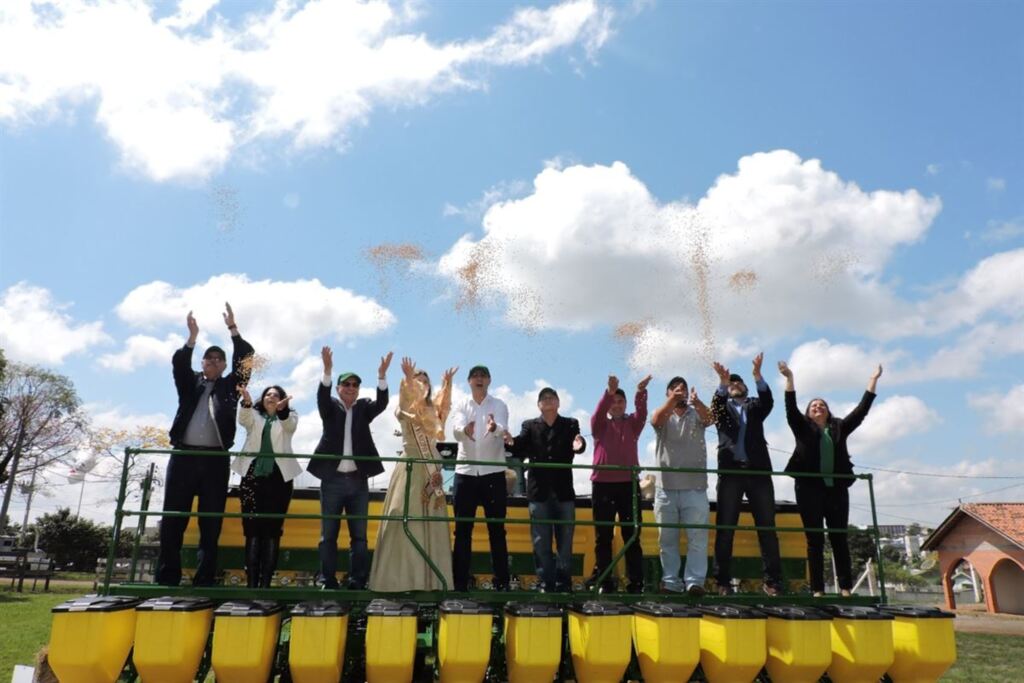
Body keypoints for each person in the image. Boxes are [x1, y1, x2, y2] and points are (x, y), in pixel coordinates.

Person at [157, 303, 254, 587]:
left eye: (218, 359)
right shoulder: (190, 383)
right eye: (208, 358)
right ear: (202, 363)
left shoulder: (230, 387)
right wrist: (192, 338)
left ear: (224, 365)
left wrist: (233, 329)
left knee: (210, 522)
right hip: (183, 457)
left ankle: (205, 578)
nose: (213, 362)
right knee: (173, 518)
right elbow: (179, 364)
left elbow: (246, 359)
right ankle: (168, 577)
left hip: (215, 460)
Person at [779, 361, 882, 597]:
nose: (818, 407)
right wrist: (790, 378)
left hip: (836, 489)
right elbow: (790, 407)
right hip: (808, 489)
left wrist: (873, 380)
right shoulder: (801, 426)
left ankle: (845, 587)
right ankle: (817, 589)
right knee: (814, 540)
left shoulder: (839, 427)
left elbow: (861, 411)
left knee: (839, 537)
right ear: (808, 412)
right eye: (814, 405)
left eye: (822, 405)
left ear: (828, 410)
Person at [307, 346, 392, 590]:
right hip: (332, 480)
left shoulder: (364, 408)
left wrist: (382, 376)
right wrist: (327, 370)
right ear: (338, 388)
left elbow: (382, 403)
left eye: (355, 385)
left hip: (358, 481)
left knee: (360, 538)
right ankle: (327, 580)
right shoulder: (329, 407)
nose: (351, 388)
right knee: (328, 536)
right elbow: (322, 397)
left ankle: (357, 581)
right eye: (346, 384)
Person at [369, 358, 457, 591]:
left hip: (431, 471)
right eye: (418, 382)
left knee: (432, 522)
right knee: (401, 515)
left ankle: (431, 581)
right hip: (410, 468)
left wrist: (447, 384)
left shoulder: (434, 412)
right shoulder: (405, 408)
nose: (422, 385)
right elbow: (405, 407)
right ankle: (398, 581)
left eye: (425, 382)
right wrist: (408, 379)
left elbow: (444, 409)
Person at [710, 353, 784, 596]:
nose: (734, 384)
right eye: (730, 383)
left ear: (745, 387)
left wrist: (757, 376)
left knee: (767, 528)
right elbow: (715, 405)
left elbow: (768, 401)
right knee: (725, 528)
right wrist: (722, 383)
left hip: (758, 472)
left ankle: (772, 582)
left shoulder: (755, 406)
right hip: (730, 472)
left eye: (737, 382)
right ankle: (722, 582)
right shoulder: (722, 410)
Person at [505, 388, 587, 593]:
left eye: (552, 397)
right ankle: (545, 582)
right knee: (541, 542)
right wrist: (509, 440)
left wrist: (580, 444)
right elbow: (518, 445)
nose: (548, 400)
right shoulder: (529, 425)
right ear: (538, 405)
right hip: (538, 493)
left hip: (563, 492)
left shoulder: (570, 424)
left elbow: (578, 442)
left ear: (559, 403)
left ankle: (564, 583)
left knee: (565, 542)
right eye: (543, 398)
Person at [587, 373, 651, 594]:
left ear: (626, 404)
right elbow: (597, 414)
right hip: (602, 484)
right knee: (603, 536)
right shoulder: (600, 425)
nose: (616, 405)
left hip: (628, 485)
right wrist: (609, 392)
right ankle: (604, 581)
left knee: (632, 535)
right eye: (613, 401)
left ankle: (636, 583)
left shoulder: (633, 424)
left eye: (620, 401)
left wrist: (640, 392)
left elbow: (642, 413)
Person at [651, 376, 715, 596]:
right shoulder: (663, 413)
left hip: (695, 488)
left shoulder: (696, 413)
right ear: (667, 393)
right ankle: (670, 582)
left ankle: (695, 583)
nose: (680, 391)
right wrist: (672, 401)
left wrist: (698, 403)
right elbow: (655, 420)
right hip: (665, 489)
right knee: (667, 540)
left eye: (683, 389)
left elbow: (711, 419)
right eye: (675, 389)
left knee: (697, 538)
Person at [233, 384, 301, 588]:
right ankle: (252, 584)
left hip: (279, 478)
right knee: (252, 528)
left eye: (276, 395)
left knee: (272, 529)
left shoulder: (290, 416)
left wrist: (282, 411)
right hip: (251, 476)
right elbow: (243, 420)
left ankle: (265, 584)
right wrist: (246, 402)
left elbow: (289, 427)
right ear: (262, 399)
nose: (271, 397)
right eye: (268, 394)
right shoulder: (254, 415)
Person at [451, 365, 512, 591]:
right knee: (462, 531)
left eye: (483, 376)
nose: (479, 379)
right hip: (465, 473)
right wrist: (464, 430)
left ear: (489, 380)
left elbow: (503, 428)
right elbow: (456, 429)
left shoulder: (499, 404)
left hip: (493, 473)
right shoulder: (461, 404)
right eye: (475, 376)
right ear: (469, 381)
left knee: (497, 530)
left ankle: (502, 582)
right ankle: (460, 582)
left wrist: (494, 427)